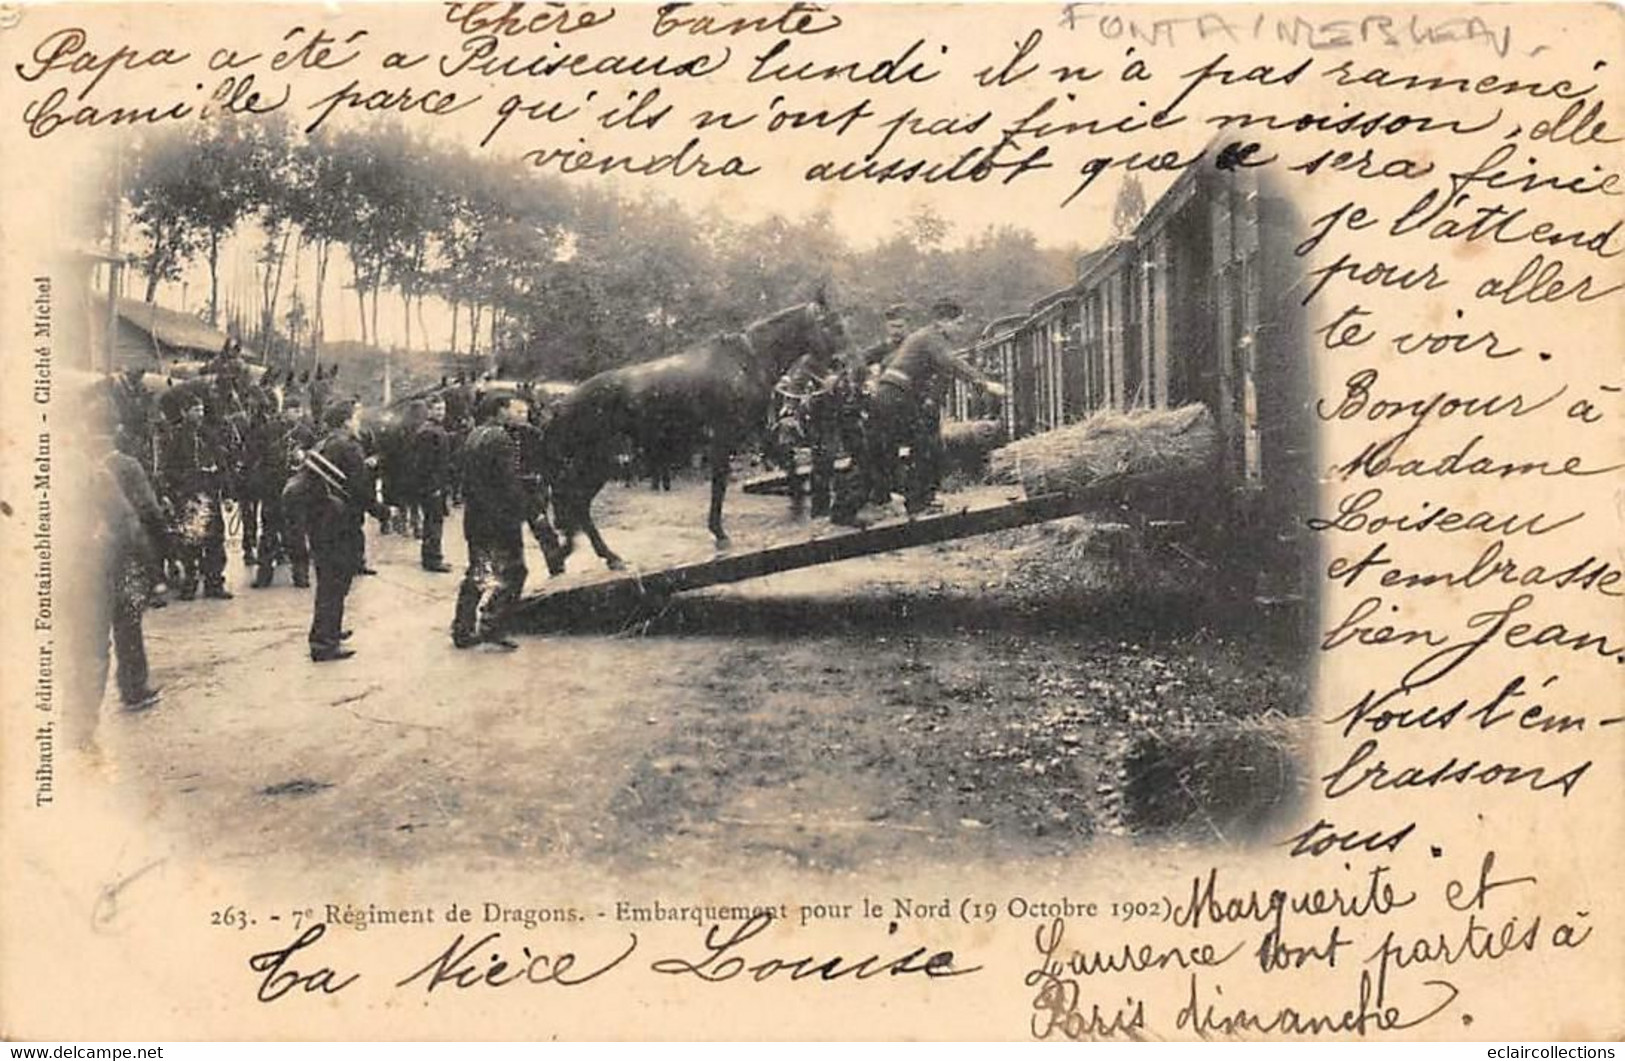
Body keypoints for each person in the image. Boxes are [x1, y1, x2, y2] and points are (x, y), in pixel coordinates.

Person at [859, 298, 1006, 519]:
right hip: (896, 395)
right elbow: (951, 362)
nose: (960, 328)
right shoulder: (932, 337)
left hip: (893, 395)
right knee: (927, 446)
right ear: (943, 321)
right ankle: (918, 503)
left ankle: (908, 500)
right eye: (958, 323)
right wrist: (984, 383)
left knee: (907, 446)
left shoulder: (925, 336)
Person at [298, 400, 386, 662]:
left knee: (329, 580)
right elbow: (359, 490)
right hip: (339, 524)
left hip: (320, 521)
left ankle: (329, 631)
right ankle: (324, 643)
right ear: (347, 421)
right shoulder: (349, 447)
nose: (358, 422)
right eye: (356, 417)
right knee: (335, 582)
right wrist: (381, 511)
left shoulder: (323, 443)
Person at [451, 394, 535, 650]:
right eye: (513, 409)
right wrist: (524, 510)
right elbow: (508, 484)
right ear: (500, 411)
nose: (518, 414)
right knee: (515, 571)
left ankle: (462, 629)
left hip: (476, 518)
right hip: (500, 519)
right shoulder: (501, 439)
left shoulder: (474, 435)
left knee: (479, 571)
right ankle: (493, 625)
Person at [158, 395, 232, 599]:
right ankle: (189, 583)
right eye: (195, 410)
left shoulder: (209, 435)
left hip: (210, 494)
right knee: (190, 541)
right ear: (185, 412)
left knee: (215, 540)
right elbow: (168, 469)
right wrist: (183, 483)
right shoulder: (176, 437)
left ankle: (214, 583)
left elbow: (222, 465)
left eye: (201, 409)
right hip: (189, 497)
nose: (199, 414)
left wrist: (227, 494)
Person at [250, 399, 317, 589]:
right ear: (284, 411)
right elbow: (257, 457)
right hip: (272, 489)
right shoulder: (268, 430)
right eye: (292, 410)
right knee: (268, 533)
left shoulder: (306, 433)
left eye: (298, 410)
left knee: (297, 533)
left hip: (296, 490)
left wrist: (304, 457)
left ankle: (301, 575)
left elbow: (314, 459)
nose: (296, 413)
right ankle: (263, 576)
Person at [413, 396, 454, 573]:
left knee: (434, 521)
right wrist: (433, 487)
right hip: (432, 486)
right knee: (433, 522)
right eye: (437, 409)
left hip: (437, 484)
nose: (441, 413)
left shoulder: (435, 430)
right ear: (428, 411)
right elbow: (425, 463)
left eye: (443, 409)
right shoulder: (429, 432)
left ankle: (432, 555)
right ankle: (432, 559)